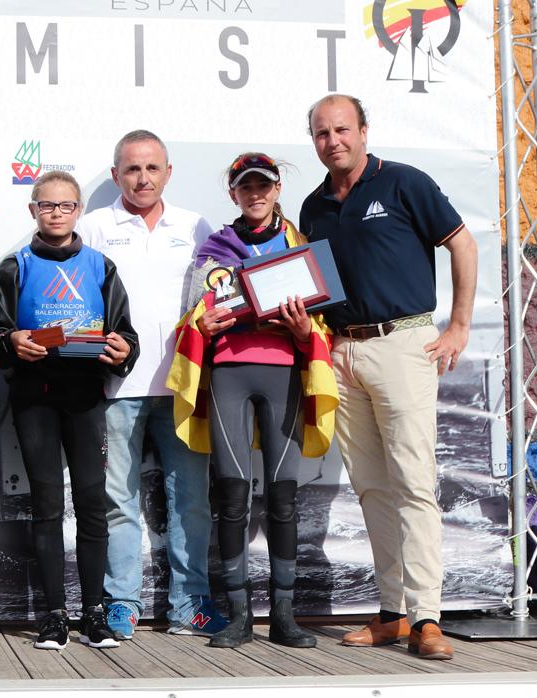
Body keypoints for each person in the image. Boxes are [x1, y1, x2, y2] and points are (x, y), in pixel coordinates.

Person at [299, 94, 477, 660]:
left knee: (414, 486)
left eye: (342, 129)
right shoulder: (313, 206)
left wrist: (459, 325)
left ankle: (428, 617)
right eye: (323, 133)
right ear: (315, 140)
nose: (334, 141)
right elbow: (317, 287)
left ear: (364, 130)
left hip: (403, 344)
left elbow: (462, 243)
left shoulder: (404, 182)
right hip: (344, 353)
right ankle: (393, 612)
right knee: (372, 487)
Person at [167, 153, 338, 649]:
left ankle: (284, 616)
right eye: (246, 187)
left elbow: (321, 319)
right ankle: (239, 615)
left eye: (264, 185)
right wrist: (203, 322)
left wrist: (306, 329)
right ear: (233, 194)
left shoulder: (299, 246)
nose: (256, 194)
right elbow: (193, 315)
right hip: (229, 374)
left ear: (278, 188)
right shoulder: (216, 247)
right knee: (234, 496)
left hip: (283, 371)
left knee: (283, 497)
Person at [77, 130, 227, 638]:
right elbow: (78, 300)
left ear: (168, 172)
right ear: (117, 174)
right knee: (116, 500)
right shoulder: (94, 227)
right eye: (132, 169)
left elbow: (214, 298)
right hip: (116, 388)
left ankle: (190, 604)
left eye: (152, 168)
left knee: (189, 499)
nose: (143, 178)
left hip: (184, 385)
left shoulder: (196, 225)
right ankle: (122, 601)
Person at [0, 170, 138, 650]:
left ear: (79, 211)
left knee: (93, 503)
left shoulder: (101, 266)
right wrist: (11, 341)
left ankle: (94, 611)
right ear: (32, 209)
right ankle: (54, 615)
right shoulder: (14, 267)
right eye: (47, 205)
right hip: (35, 398)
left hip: (85, 398)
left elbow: (126, 335)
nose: (57, 213)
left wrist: (123, 350)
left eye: (66, 205)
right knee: (47, 504)